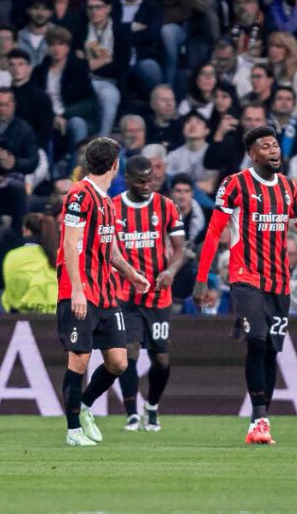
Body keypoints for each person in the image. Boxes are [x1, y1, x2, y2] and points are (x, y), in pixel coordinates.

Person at [194, 126, 297, 445]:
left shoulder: (287, 187)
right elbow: (214, 231)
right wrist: (202, 277)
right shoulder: (235, 184)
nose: (274, 150)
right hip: (245, 278)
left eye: (275, 145)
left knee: (271, 350)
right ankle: (259, 415)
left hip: (279, 282)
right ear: (252, 154)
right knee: (257, 340)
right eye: (266, 146)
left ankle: (261, 421)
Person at [58, 137, 149, 447]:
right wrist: (78, 291)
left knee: (118, 363)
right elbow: (71, 243)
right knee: (79, 360)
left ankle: (83, 407)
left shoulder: (108, 202)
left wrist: (132, 275)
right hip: (80, 293)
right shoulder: (78, 195)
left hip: (107, 294)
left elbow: (109, 251)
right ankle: (72, 431)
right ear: (115, 165)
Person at [113, 156, 186, 433]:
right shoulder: (114, 207)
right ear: (128, 180)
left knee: (162, 360)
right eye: (141, 181)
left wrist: (171, 271)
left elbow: (179, 249)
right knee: (128, 353)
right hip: (126, 294)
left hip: (157, 295)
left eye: (151, 181)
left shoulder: (166, 206)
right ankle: (132, 413)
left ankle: (152, 406)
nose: (147, 186)